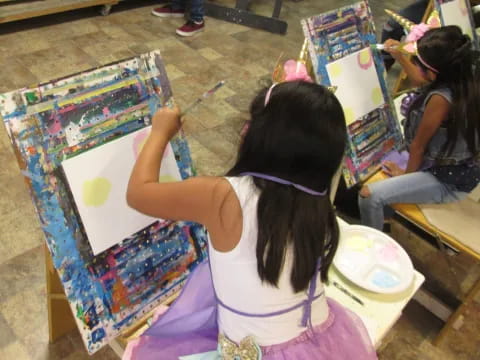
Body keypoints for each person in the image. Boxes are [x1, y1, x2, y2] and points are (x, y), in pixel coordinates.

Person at [125, 81, 377, 359]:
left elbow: (138, 194)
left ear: (261, 137)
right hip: (319, 341)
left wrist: (160, 132)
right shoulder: (316, 198)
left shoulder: (223, 196)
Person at [359, 26, 480, 231]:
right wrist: (399, 55)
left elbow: (418, 147)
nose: (417, 68)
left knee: (369, 195)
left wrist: (405, 176)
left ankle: (375, 241)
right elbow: (422, 80)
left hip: (446, 181)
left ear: (434, 73)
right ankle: (387, 216)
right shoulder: (464, 77)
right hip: (463, 171)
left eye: (420, 64)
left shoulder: (440, 100)